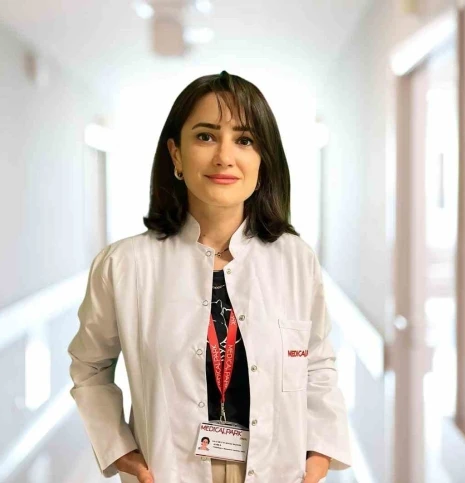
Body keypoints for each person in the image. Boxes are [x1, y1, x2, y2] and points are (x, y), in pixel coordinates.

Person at [68, 71, 351, 483]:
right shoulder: (124, 265)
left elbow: (317, 364)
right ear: (176, 154)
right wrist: (120, 449)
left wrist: (319, 458)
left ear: (263, 160)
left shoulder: (295, 260)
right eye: (205, 136)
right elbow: (89, 367)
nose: (224, 156)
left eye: (245, 140)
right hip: (169, 472)